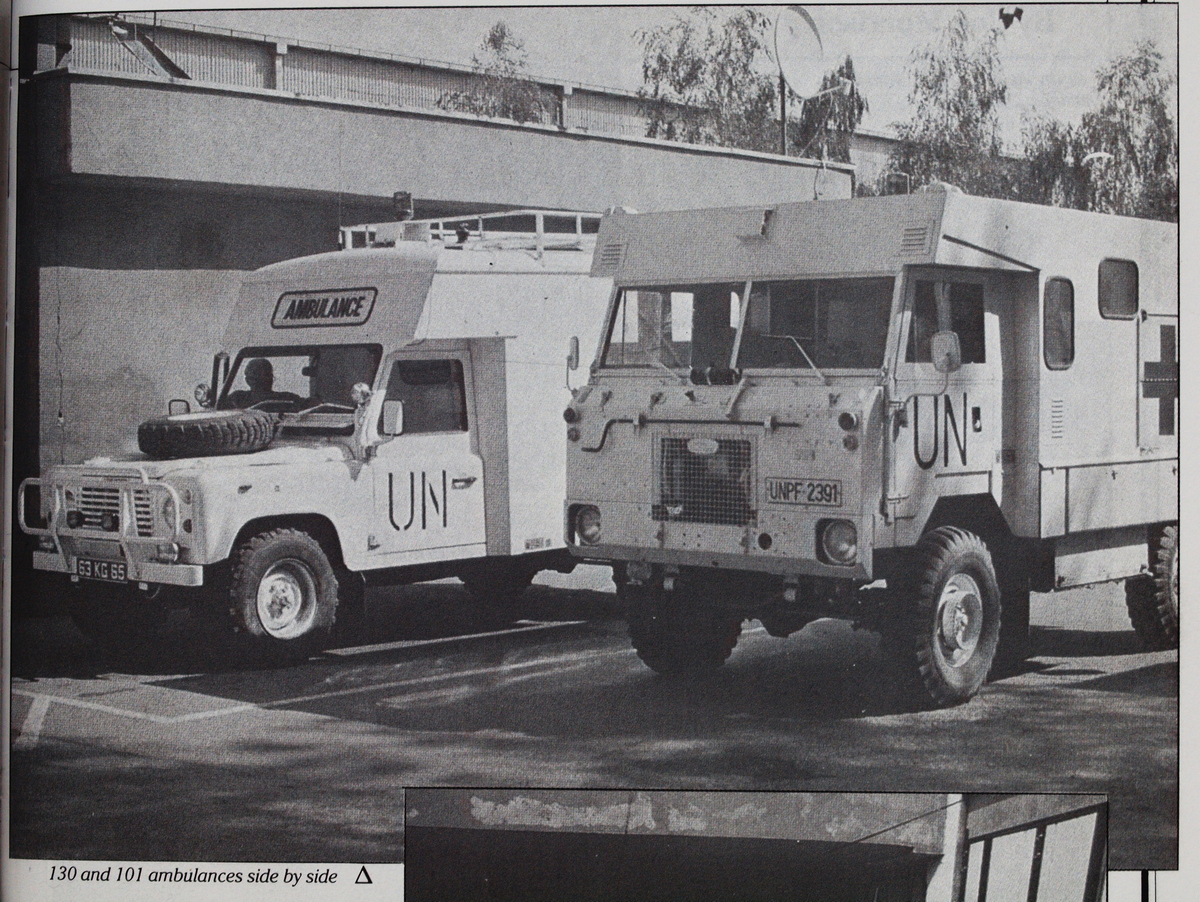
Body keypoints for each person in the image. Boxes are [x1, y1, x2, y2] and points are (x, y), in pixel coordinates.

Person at [229, 358, 300, 408]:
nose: (263, 379)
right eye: (256, 375)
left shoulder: (288, 398)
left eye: (266, 375)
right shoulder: (237, 397)